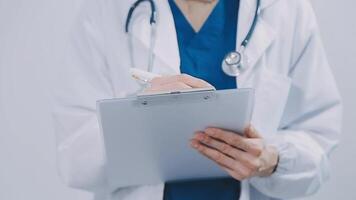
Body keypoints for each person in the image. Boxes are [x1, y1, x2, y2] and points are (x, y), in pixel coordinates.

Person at [50, 0, 342, 200]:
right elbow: (75, 158)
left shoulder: (285, 10)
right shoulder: (108, 11)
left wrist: (273, 160)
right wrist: (139, 116)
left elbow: (318, 140)